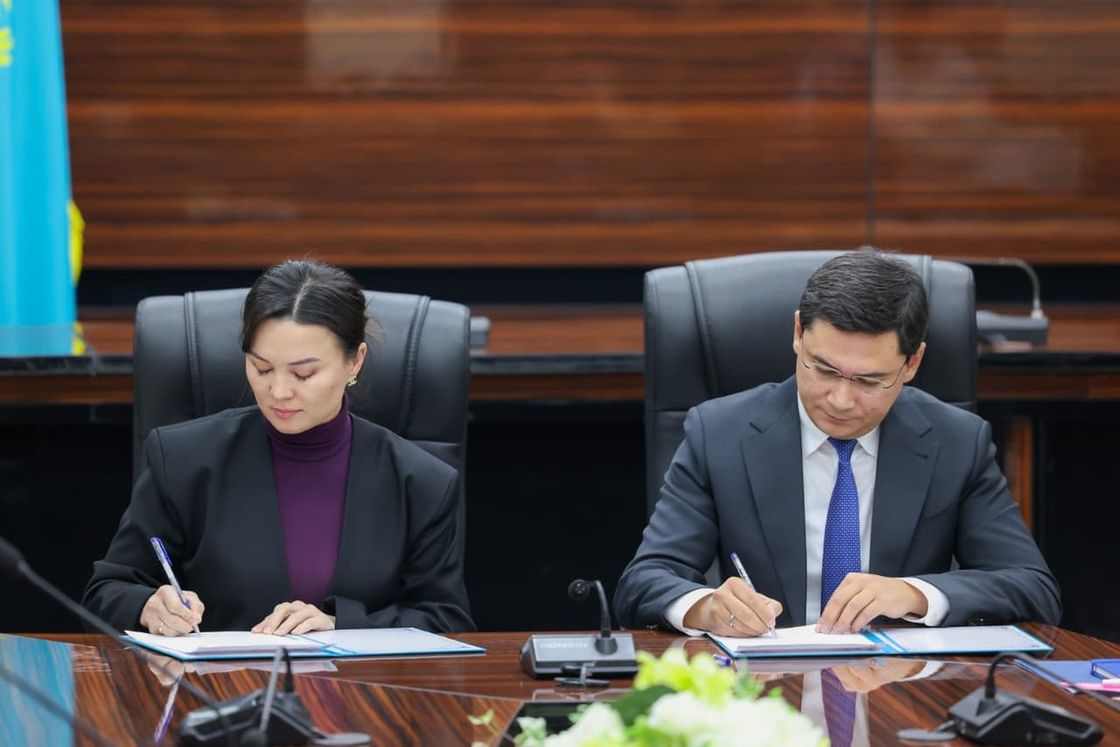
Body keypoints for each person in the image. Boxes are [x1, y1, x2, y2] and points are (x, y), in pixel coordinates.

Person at [614, 250, 1061, 638]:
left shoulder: (957, 442)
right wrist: (706, 606)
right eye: (824, 370)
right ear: (798, 334)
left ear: (912, 363)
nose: (841, 400)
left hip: (900, 688)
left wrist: (914, 594)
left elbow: (1033, 587)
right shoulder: (719, 433)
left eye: (869, 380)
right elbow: (644, 581)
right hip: (765, 688)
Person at [83, 259, 473, 635]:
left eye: (304, 373)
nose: (279, 392)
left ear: (355, 362)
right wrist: (148, 607)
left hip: (359, 681)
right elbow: (106, 592)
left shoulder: (421, 482)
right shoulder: (182, 459)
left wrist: (341, 626)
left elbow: (445, 619)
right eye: (262, 368)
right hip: (217, 680)